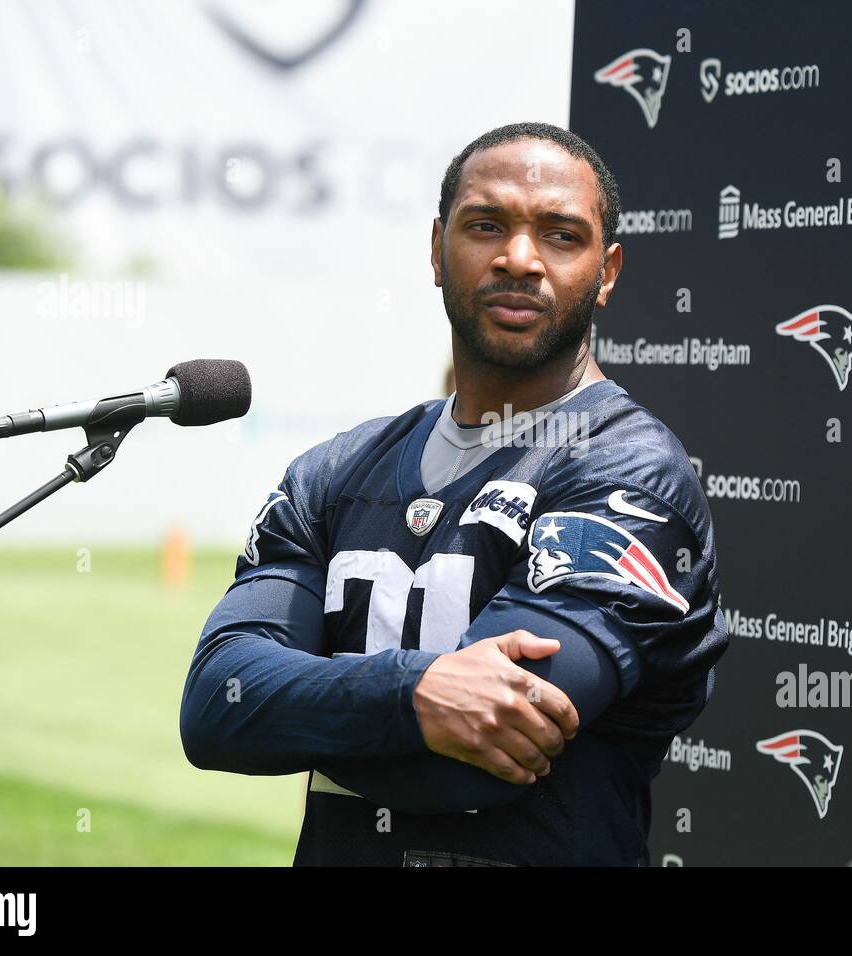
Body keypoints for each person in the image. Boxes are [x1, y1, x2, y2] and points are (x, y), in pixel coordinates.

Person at [179, 121, 728, 866]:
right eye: (486, 225)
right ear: (437, 249)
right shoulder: (336, 471)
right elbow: (218, 704)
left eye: (561, 235)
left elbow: (479, 751)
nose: (519, 258)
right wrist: (418, 694)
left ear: (607, 271)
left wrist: (307, 705)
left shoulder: (629, 472)